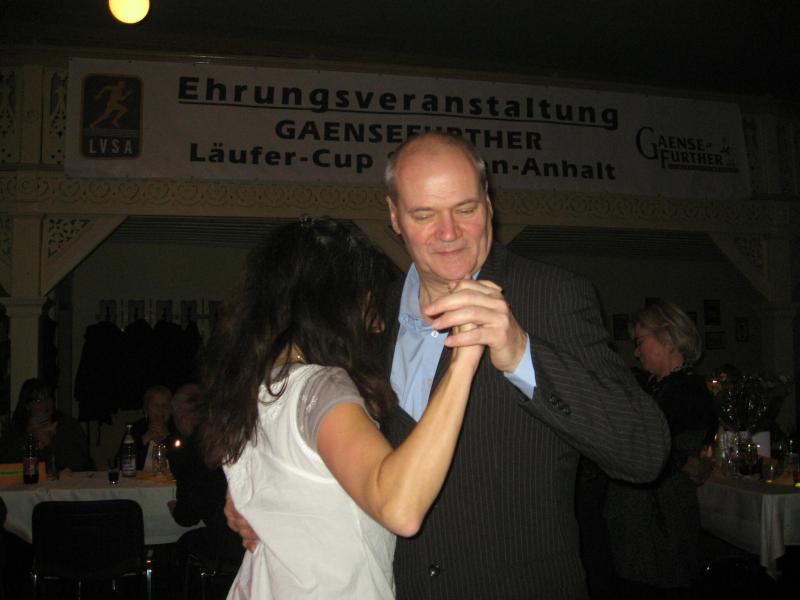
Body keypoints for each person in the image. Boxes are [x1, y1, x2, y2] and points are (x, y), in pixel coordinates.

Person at [225, 132, 671, 599]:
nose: (449, 233)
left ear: (489, 204)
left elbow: (644, 453)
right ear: (394, 216)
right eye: (424, 215)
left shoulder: (551, 296)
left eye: (465, 208)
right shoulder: (368, 318)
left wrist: (521, 352)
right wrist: (260, 493)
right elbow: (321, 433)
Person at [200, 217, 483, 599]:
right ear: (333, 303)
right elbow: (400, 509)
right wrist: (464, 357)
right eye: (367, 303)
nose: (377, 324)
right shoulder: (319, 387)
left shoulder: (255, 385)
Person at [604, 300, 717, 598]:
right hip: (638, 515)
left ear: (667, 338)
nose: (636, 352)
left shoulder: (687, 390)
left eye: (640, 342)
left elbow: (650, 448)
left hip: (661, 517)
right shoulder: (651, 386)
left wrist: (683, 461)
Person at [166, 383, 244, 597]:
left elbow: (187, 517)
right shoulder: (232, 436)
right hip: (256, 533)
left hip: (229, 538)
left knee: (182, 545)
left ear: (182, 417)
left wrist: (175, 509)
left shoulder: (196, 449)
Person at [0, 378, 92, 472]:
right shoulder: (16, 428)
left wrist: (49, 444)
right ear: (27, 406)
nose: (45, 404)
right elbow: (5, 464)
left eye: (48, 398)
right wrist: (30, 436)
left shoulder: (67, 425)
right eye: (38, 400)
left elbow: (80, 464)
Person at [122, 384, 175, 470]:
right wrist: (144, 439)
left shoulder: (177, 429)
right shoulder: (135, 429)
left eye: (165, 406)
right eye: (155, 405)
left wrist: (168, 439)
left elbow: (184, 464)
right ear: (146, 408)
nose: (160, 410)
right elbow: (122, 463)